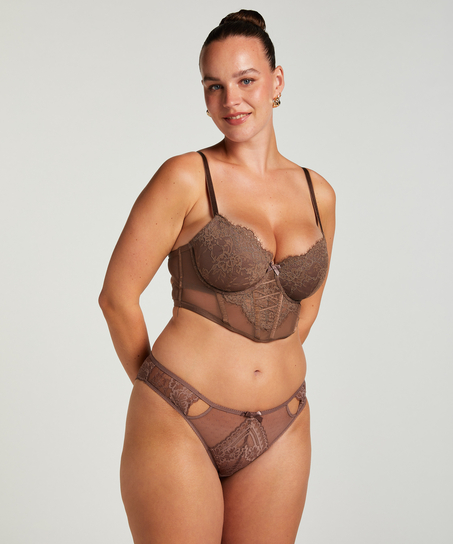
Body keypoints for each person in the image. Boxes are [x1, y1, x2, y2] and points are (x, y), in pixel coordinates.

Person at [99, 9, 335, 544]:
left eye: (246, 80)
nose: (231, 100)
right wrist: (164, 392)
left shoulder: (319, 194)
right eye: (214, 86)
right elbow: (116, 297)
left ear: (277, 82)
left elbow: (307, 304)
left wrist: (266, 370)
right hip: (179, 417)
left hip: (282, 422)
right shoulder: (185, 176)